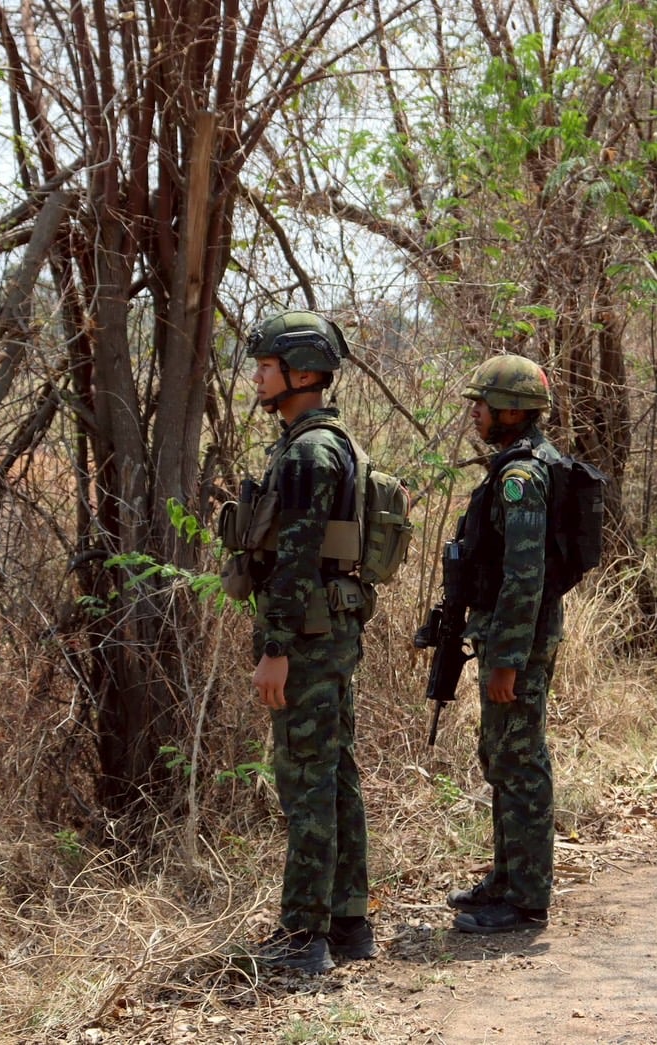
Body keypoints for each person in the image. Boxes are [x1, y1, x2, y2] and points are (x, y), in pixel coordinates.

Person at [245, 309, 376, 972]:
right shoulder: (330, 442)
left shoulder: (306, 452)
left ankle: (304, 935)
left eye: (266, 367)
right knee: (334, 773)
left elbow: (295, 560)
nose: (257, 378)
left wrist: (275, 649)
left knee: (306, 781)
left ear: (300, 373)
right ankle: (347, 921)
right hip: (328, 632)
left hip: (306, 638)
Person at [444, 355, 564, 934]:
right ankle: (506, 878)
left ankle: (525, 900)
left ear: (512, 412)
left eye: (483, 404)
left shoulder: (522, 478)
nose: (476, 413)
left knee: (519, 760)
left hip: (518, 639)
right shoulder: (518, 465)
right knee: (501, 756)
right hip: (510, 634)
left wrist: (507, 661)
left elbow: (525, 576)